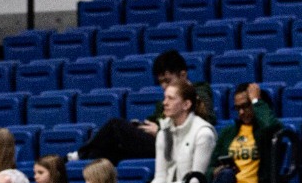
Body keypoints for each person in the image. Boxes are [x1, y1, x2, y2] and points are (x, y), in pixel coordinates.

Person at [78, 51, 218, 165]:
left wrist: (161, 132)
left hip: (177, 146)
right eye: (161, 82)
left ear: (183, 75)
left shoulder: (200, 91)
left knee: (115, 125)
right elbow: (154, 121)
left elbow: (204, 121)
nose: (164, 86)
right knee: (109, 151)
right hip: (159, 143)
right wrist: (139, 126)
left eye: (167, 80)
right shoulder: (164, 103)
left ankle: (79, 155)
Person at [208, 83, 281, 183]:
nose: (241, 112)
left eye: (246, 106)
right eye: (237, 108)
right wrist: (215, 171)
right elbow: (210, 167)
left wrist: (256, 101)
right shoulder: (228, 133)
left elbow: (271, 125)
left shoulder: (264, 132)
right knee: (221, 179)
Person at [147, 78, 216, 183]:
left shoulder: (203, 133)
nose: (164, 103)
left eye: (170, 98)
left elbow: (196, 182)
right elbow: (160, 176)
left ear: (186, 105)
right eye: (164, 98)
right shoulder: (163, 133)